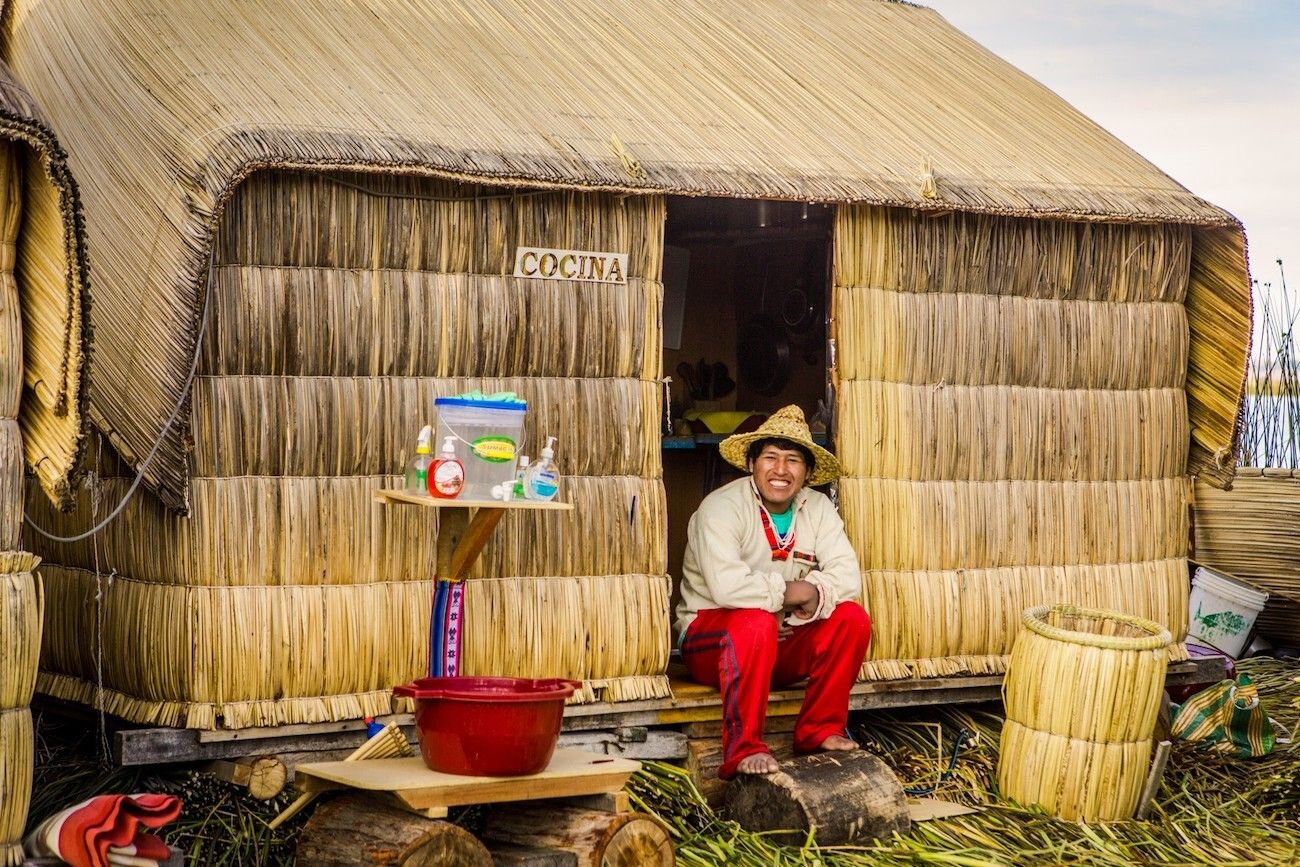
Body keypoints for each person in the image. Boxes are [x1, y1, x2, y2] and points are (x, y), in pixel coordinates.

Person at [676, 404, 870, 777]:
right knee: (754, 623)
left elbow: (848, 577)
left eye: (793, 460)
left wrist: (811, 592)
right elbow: (726, 586)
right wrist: (787, 595)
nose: (781, 470)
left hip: (778, 645)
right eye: (770, 457)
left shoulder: (817, 509)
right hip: (710, 644)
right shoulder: (720, 508)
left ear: (808, 472)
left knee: (852, 618)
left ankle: (820, 729)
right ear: (751, 463)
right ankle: (743, 746)